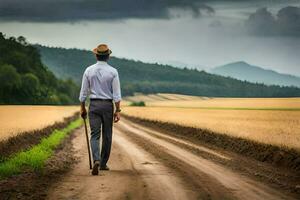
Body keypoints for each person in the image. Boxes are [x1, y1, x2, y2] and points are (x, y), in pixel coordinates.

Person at [79, 44, 121, 175]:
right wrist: (117, 110)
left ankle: (96, 159)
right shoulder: (113, 72)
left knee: (95, 135)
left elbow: (83, 93)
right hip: (107, 105)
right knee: (107, 135)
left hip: (94, 105)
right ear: (108, 56)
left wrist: (82, 108)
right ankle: (103, 164)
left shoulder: (88, 70)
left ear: (96, 55)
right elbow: (117, 94)